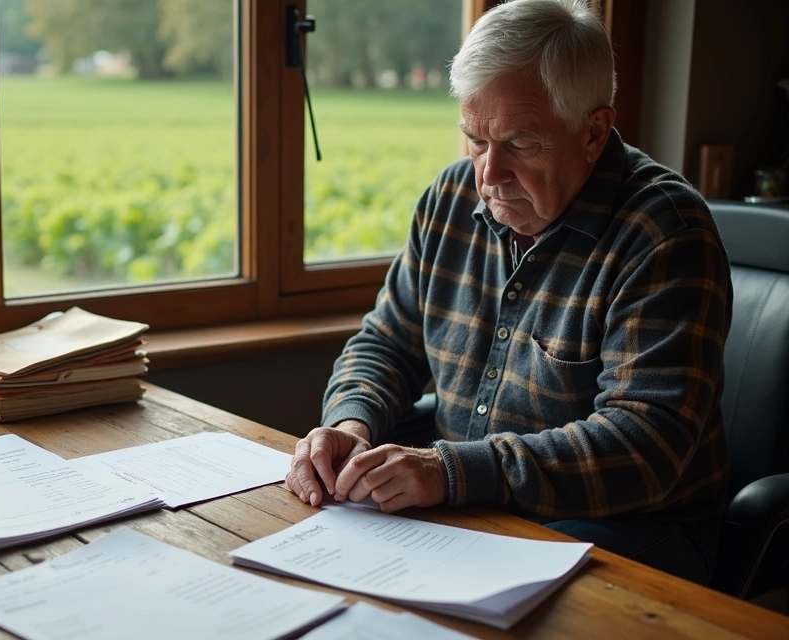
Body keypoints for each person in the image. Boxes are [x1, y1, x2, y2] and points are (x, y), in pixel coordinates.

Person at [285, 0, 731, 586]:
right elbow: (387, 343)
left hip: (634, 527)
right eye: (474, 140)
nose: (488, 175)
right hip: (476, 507)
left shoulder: (665, 233)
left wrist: (449, 471)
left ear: (593, 132)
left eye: (520, 145)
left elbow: (643, 445)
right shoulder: (448, 199)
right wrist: (352, 423)